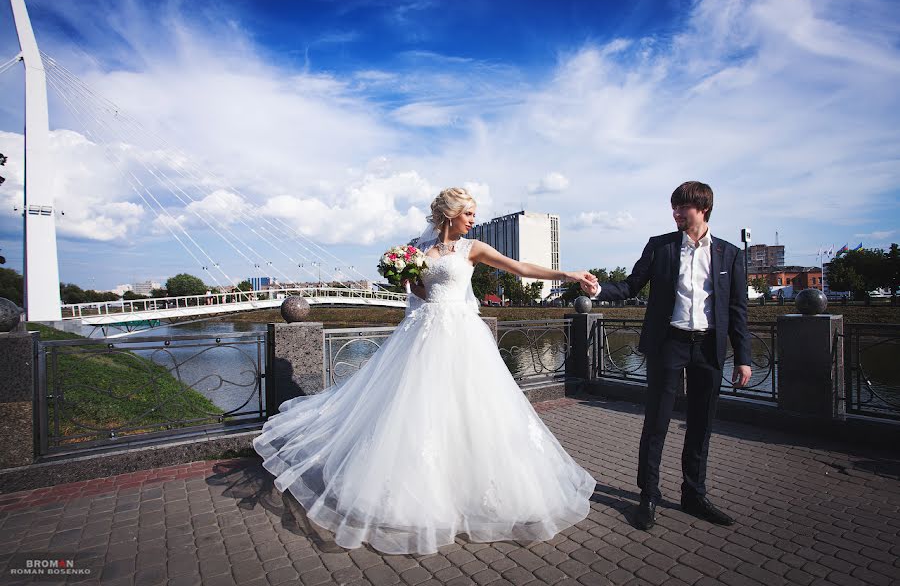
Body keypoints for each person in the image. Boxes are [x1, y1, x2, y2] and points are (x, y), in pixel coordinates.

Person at [253, 187, 599, 555]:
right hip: (422, 335)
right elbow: (418, 293)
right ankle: (415, 494)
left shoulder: (473, 249)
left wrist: (569, 273)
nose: (473, 220)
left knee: (474, 410)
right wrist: (404, 275)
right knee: (417, 411)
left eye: (474, 215)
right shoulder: (418, 251)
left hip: (463, 336)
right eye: (469, 214)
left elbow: (521, 267)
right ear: (450, 214)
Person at [585, 181, 751, 530]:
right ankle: (648, 496)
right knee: (656, 423)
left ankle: (694, 495)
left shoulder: (730, 254)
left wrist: (744, 358)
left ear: (702, 209)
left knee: (701, 425)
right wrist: (599, 289)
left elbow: (737, 309)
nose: (675, 213)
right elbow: (630, 286)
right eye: (673, 207)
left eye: (682, 208)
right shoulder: (659, 247)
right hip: (668, 345)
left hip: (708, 347)